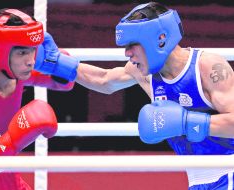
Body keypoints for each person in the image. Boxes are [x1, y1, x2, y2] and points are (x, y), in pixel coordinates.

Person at [72, 2, 234, 189]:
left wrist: (186, 122)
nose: (127, 53)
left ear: (161, 38)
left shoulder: (207, 67)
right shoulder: (144, 73)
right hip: (197, 180)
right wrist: (59, 65)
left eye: (133, 44)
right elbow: (104, 79)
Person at [0, 9, 78, 189]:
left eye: (33, 51)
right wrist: (9, 143)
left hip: (6, 174)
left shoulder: (16, 73)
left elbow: (64, 83)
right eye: (22, 53)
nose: (31, 61)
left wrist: (60, 66)